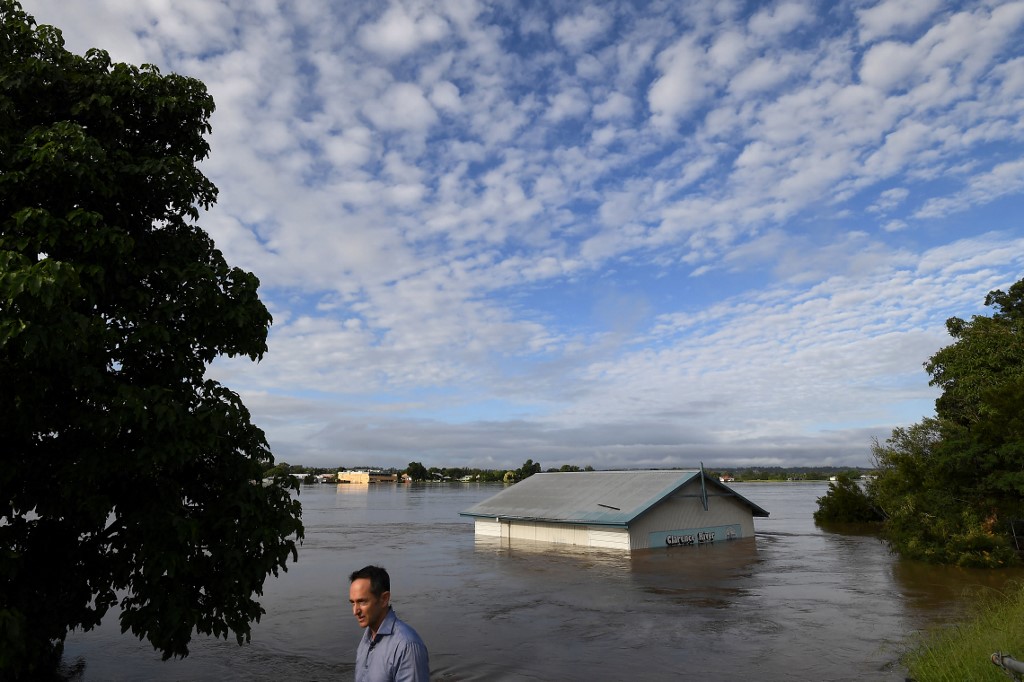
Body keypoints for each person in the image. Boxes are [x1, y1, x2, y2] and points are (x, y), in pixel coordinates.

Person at [349, 565, 430, 682]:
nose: (355, 611)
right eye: (353, 603)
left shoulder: (407, 646)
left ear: (384, 599)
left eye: (362, 602)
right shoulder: (366, 638)